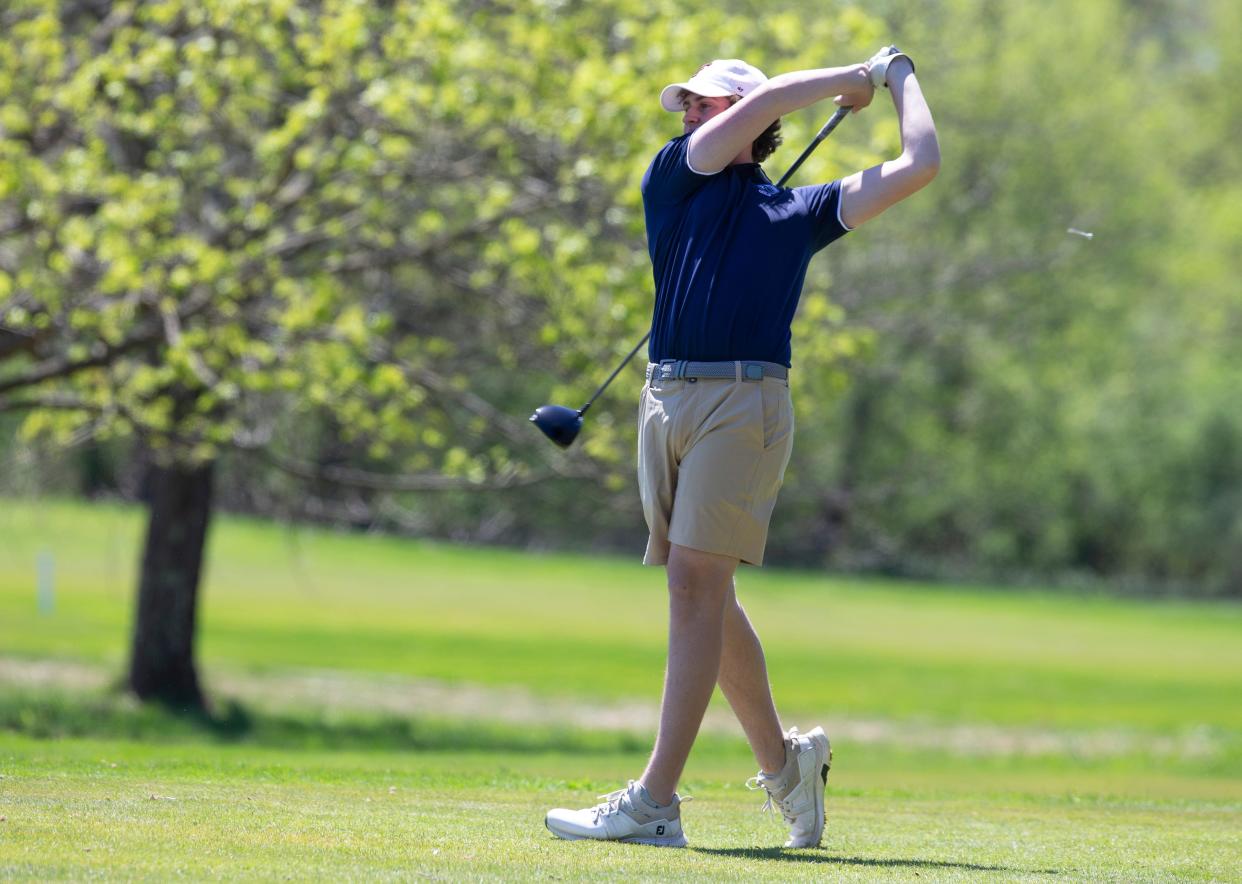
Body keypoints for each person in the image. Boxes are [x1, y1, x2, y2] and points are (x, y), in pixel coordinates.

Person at [545, 47, 939, 849]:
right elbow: (768, 105)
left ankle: (655, 802)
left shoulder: (800, 215)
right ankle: (788, 767)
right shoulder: (674, 175)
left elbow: (919, 163)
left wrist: (896, 75)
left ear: (755, 125)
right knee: (707, 597)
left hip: (746, 404)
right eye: (686, 104)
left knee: (693, 585)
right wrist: (845, 79)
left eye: (707, 104)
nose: (690, 115)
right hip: (665, 398)